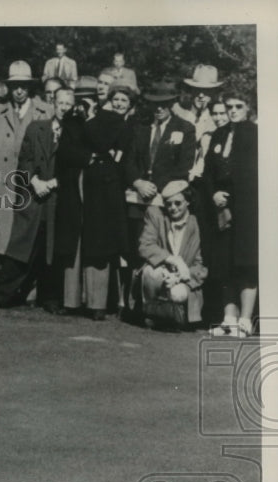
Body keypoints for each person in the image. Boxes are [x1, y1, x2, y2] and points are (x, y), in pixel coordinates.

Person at [0, 60, 52, 309]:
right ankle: (4, 290)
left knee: (28, 238)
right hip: (3, 184)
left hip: (32, 186)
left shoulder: (45, 110)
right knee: (2, 237)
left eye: (23, 86)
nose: (19, 91)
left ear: (30, 87)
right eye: (15, 86)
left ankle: (30, 290)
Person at [121, 80, 195, 315]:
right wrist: (138, 182)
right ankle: (133, 303)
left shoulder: (185, 128)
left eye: (164, 104)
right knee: (136, 249)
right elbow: (129, 160)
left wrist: (158, 188)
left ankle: (159, 306)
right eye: (155, 105)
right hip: (138, 199)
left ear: (172, 104)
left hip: (164, 200)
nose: (159, 109)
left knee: (161, 250)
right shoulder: (140, 126)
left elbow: (184, 166)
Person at [0, 87, 73, 314]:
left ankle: (50, 298)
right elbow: (24, 159)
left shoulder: (77, 132)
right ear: (53, 102)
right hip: (34, 196)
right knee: (21, 247)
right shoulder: (36, 128)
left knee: (52, 251)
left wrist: (54, 183)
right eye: (60, 103)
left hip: (58, 200)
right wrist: (35, 181)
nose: (64, 108)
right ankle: (2, 295)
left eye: (69, 104)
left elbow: (76, 165)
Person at [70, 83, 134, 320]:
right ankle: (96, 302)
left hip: (117, 187)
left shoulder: (128, 126)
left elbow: (123, 154)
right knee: (98, 238)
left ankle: (113, 301)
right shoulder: (101, 121)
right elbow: (94, 141)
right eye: (116, 99)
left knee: (117, 241)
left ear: (130, 105)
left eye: (124, 101)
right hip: (98, 186)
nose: (119, 104)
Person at [205, 91, 258, 336]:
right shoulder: (219, 133)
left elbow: (251, 175)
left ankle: (246, 319)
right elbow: (208, 172)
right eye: (229, 107)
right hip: (220, 207)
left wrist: (234, 202)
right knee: (223, 262)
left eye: (238, 106)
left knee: (246, 262)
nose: (233, 111)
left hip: (246, 208)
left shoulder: (255, 134)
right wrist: (215, 194)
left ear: (247, 107)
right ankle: (229, 318)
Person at [135, 180, 207, 329]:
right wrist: (173, 260)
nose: (173, 208)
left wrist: (180, 277)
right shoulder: (156, 215)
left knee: (176, 294)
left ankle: (177, 318)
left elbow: (201, 265)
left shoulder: (196, 224)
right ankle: (152, 313)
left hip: (185, 280)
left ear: (187, 201)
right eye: (168, 204)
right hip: (162, 271)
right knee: (151, 272)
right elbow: (145, 245)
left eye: (178, 203)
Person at [175, 65, 221, 180]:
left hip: (201, 176)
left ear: (213, 94)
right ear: (192, 91)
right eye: (197, 90)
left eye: (206, 91)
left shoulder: (216, 119)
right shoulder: (179, 112)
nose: (201, 95)